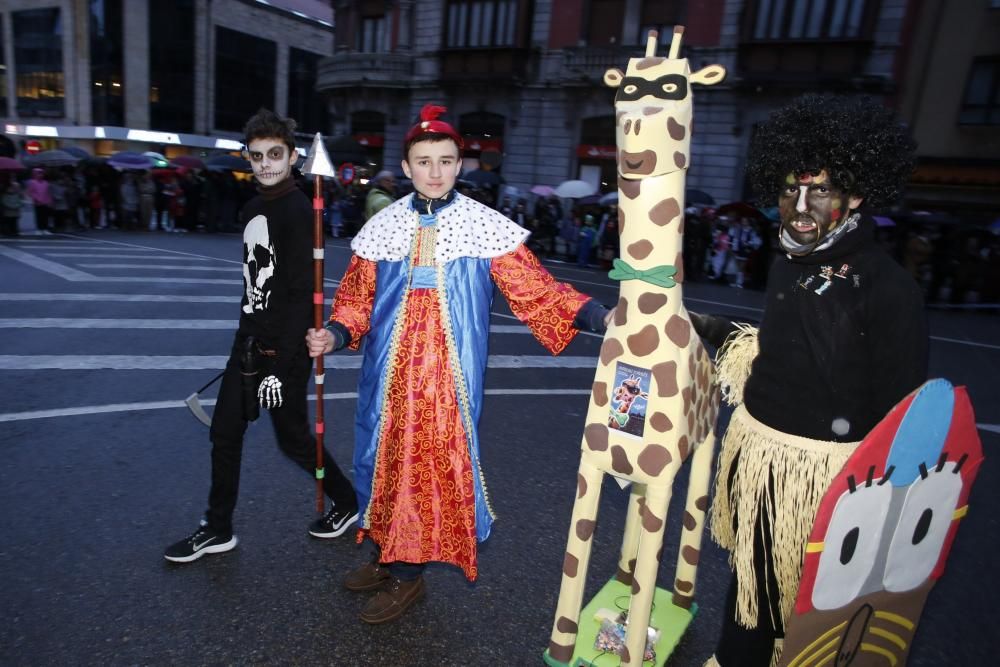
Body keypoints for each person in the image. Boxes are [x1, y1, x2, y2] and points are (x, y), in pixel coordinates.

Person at [305, 103, 613, 625]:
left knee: (424, 472)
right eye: (423, 161)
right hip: (386, 376)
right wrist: (333, 334)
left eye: (445, 161)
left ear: (460, 164)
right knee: (378, 460)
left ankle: (408, 575)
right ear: (406, 166)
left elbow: (537, 290)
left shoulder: (483, 227)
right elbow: (356, 301)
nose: (435, 171)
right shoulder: (383, 227)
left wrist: (599, 315)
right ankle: (388, 553)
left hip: (445, 381)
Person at [693, 95, 928, 667]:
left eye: (818, 190)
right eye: (789, 190)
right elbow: (777, 355)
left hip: (825, 475)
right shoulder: (786, 261)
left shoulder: (889, 286)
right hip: (762, 460)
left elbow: (904, 412)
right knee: (753, 588)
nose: (799, 205)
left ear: (854, 195)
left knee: (798, 601)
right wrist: (709, 329)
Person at [164, 108, 358, 564]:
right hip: (249, 343)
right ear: (247, 159)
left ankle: (346, 501)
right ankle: (218, 528)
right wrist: (244, 344)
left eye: (276, 154)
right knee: (225, 434)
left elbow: (297, 296)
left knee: (291, 439)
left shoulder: (298, 210)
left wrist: (278, 361)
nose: (266, 163)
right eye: (257, 156)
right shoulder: (252, 208)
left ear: (292, 156)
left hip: (283, 353)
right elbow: (256, 288)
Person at [26, 168, 52, 233]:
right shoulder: (32, 182)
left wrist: (49, 201)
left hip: (45, 202)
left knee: (45, 216)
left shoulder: (46, 183)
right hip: (37, 202)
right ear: (34, 175)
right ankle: (39, 229)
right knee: (38, 216)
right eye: (38, 174)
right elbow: (30, 192)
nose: (40, 175)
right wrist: (36, 198)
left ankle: (45, 229)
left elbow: (48, 192)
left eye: (41, 174)